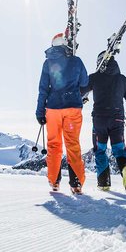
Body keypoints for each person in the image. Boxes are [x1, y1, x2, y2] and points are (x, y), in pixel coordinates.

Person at [36, 33, 89, 194]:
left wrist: (40, 111)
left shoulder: (48, 63)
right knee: (72, 144)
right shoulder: (76, 61)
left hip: (52, 109)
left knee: (53, 145)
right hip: (73, 107)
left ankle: (54, 181)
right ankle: (76, 184)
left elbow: (43, 89)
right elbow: (85, 82)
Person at [81, 51, 126, 191]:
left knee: (100, 150)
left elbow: (80, 92)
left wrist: (83, 97)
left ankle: (104, 183)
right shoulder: (122, 79)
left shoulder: (94, 78)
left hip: (99, 120)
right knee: (119, 150)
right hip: (117, 119)